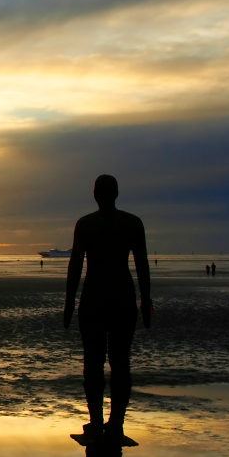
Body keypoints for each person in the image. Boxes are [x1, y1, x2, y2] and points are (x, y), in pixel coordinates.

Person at [64, 175, 152, 443]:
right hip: (122, 297)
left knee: (93, 364)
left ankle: (99, 421)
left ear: (95, 194)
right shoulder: (132, 223)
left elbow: (76, 266)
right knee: (120, 363)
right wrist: (145, 300)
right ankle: (114, 424)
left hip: (94, 298)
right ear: (116, 193)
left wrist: (69, 302)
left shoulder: (85, 224)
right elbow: (142, 265)